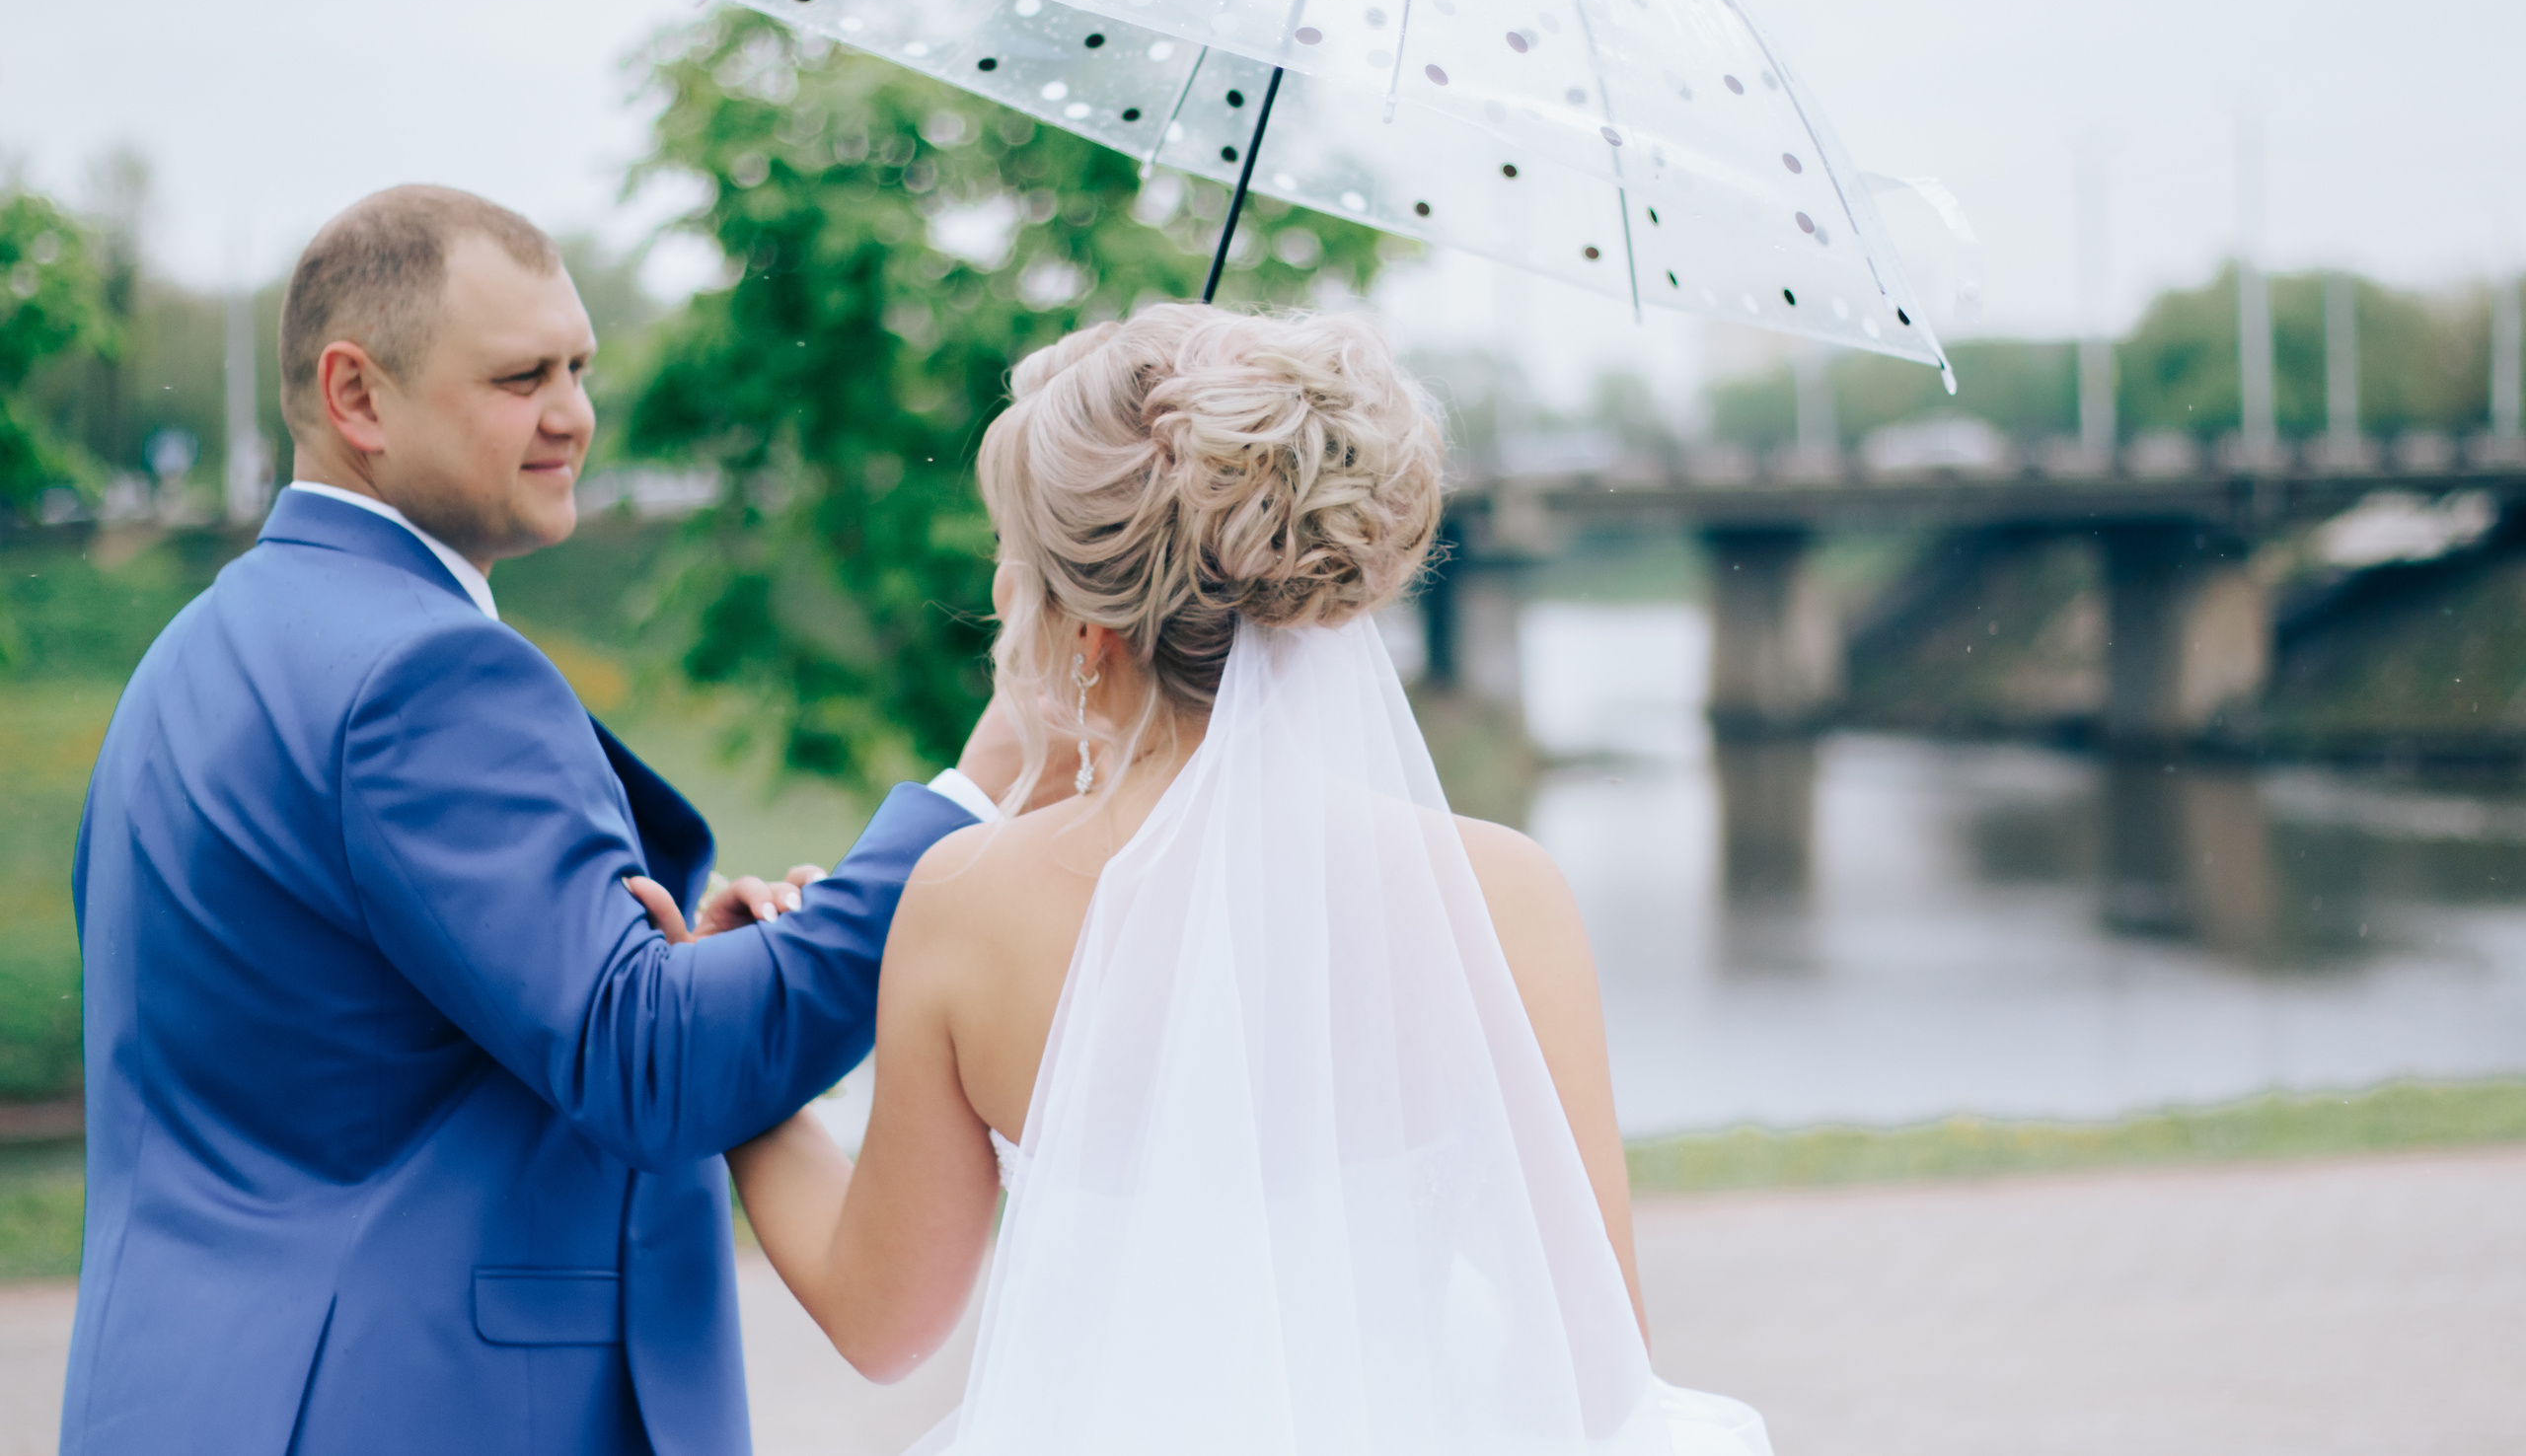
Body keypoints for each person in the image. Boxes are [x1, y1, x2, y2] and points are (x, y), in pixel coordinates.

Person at [63, 185, 1012, 1456]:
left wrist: (709, 968)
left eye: (579, 366)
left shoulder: (189, 658)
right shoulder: (427, 673)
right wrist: (974, 796)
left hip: (188, 1396)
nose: (574, 414)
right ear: (356, 398)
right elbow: (651, 1067)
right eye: (521, 377)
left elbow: (369, 1037)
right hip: (421, 1408)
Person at [724, 305, 1772, 1455]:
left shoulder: (966, 905)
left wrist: (750, 1086)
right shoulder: (1501, 897)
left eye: (1011, 566)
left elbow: (882, 1323)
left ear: (1086, 631)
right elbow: (1590, 1362)